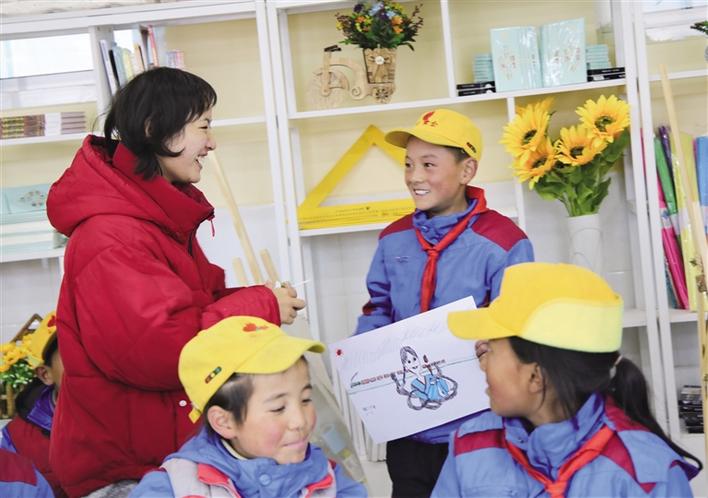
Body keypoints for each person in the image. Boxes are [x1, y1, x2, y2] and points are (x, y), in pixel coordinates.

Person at [46, 67, 305, 498]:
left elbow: (193, 305)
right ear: (155, 130)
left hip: (160, 455)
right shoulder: (113, 236)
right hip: (128, 471)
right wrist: (261, 307)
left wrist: (264, 301)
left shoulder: (153, 220)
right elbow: (162, 350)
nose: (212, 143)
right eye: (203, 126)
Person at [354, 108, 534, 496]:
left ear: (467, 170)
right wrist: (364, 359)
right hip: (408, 427)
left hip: (481, 427)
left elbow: (518, 329)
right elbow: (378, 307)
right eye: (408, 164)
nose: (414, 176)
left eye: (429, 164)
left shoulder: (504, 242)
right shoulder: (393, 238)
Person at [433, 262, 702, 497]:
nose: (483, 365)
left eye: (490, 350)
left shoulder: (648, 472)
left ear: (535, 376)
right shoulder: (469, 446)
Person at [130, 315, 367, 498]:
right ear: (224, 422)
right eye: (278, 408)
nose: (300, 421)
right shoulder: (174, 488)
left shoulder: (330, 480)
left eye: (305, 399)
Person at [1, 311, 66, 497]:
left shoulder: (130, 418)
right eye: (71, 353)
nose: (85, 362)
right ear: (45, 374)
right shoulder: (16, 439)